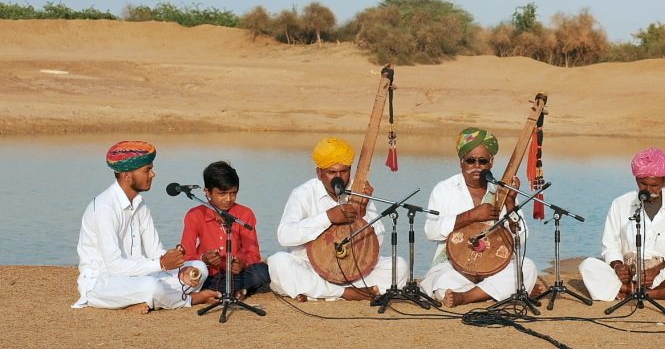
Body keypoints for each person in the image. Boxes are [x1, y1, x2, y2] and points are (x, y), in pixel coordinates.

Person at [73, 141, 219, 314]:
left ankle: (142, 301)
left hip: (137, 277)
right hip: (103, 282)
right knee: (151, 287)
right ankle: (190, 299)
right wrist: (161, 264)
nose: (153, 174)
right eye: (147, 170)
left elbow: (154, 251)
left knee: (198, 269)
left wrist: (177, 267)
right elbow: (114, 266)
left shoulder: (140, 204)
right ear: (128, 175)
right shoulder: (105, 208)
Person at [268, 137, 406, 301]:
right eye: (332, 172)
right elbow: (285, 235)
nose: (339, 177)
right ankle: (347, 293)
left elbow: (378, 244)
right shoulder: (303, 193)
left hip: (354, 271)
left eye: (344, 171)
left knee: (399, 266)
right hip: (312, 269)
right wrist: (328, 217)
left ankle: (319, 292)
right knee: (279, 262)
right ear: (319, 173)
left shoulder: (359, 190)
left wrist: (362, 213)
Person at [579, 148, 665, 303]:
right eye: (642, 184)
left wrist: (655, 270)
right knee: (588, 265)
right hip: (629, 270)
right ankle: (653, 293)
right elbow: (610, 244)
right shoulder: (621, 204)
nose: (647, 190)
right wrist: (618, 266)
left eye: (654, 185)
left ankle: (631, 292)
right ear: (636, 180)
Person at [420, 127, 539, 307]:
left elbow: (521, 239)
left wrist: (510, 204)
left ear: (491, 163)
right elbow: (430, 231)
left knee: (526, 267)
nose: (476, 166)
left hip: (494, 264)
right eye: (470, 161)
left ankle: (466, 297)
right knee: (441, 280)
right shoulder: (444, 189)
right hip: (453, 265)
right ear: (461, 162)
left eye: (482, 161)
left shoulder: (502, 191)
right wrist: (470, 216)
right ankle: (489, 292)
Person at [179, 161, 270, 300]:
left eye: (233, 193)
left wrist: (242, 263)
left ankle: (220, 291)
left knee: (262, 271)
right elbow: (186, 255)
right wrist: (204, 259)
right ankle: (236, 290)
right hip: (208, 274)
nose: (228, 199)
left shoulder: (245, 214)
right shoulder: (194, 215)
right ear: (207, 192)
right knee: (194, 278)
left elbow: (254, 255)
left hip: (238, 274)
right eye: (222, 193)